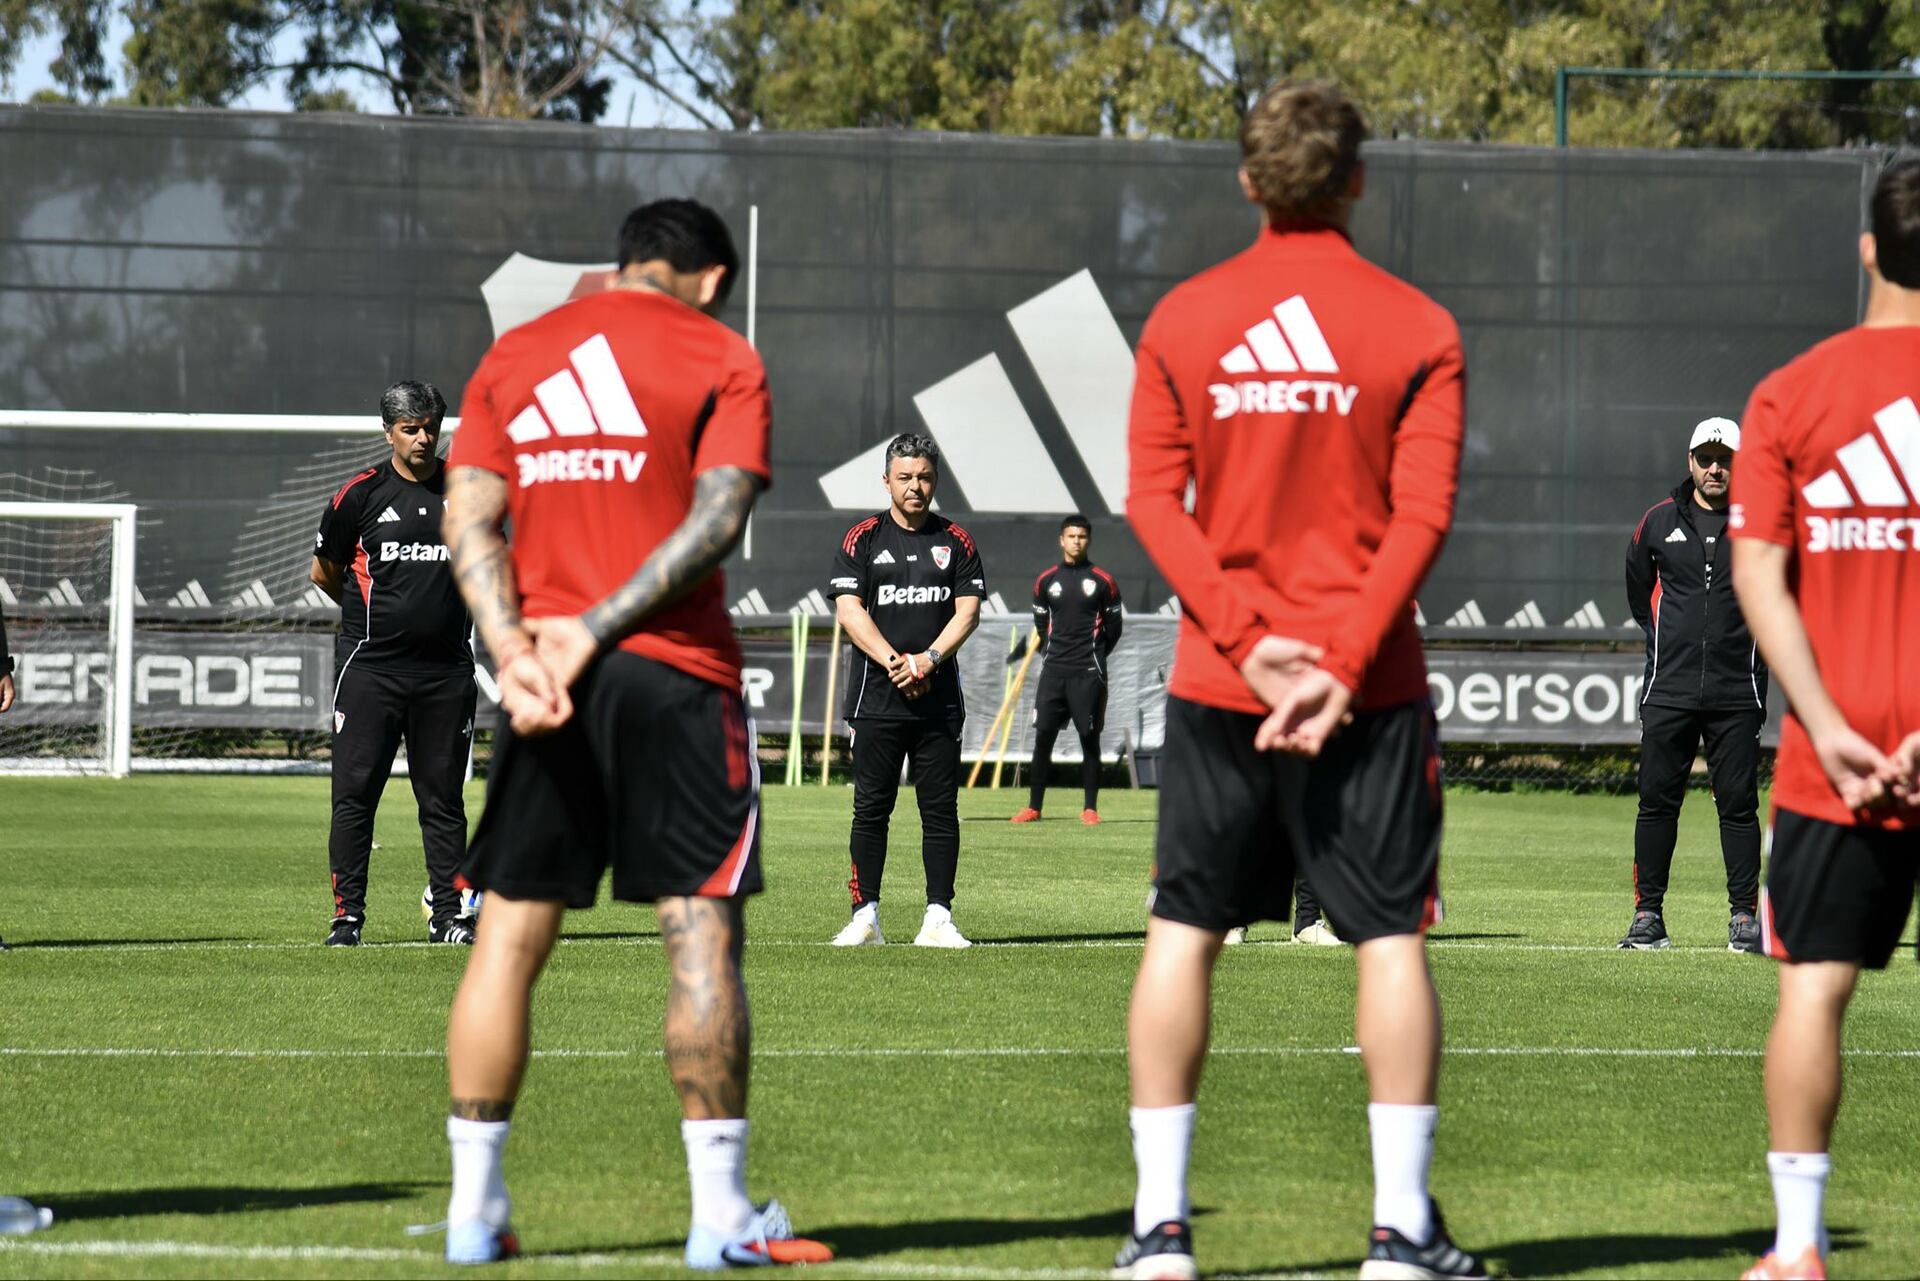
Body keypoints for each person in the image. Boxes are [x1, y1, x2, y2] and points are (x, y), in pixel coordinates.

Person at [1116, 81, 1485, 1280]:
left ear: (1247, 180)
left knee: (1183, 933)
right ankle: (1399, 1237)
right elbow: (1423, 512)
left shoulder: (1184, 318)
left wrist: (1241, 634)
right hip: (1369, 692)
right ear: (1359, 180)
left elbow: (1148, 506)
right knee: (1387, 944)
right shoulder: (1417, 325)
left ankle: (1157, 1233)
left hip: (1224, 683)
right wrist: (1336, 659)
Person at [437, 198, 831, 1269]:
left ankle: (473, 1215)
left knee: (507, 940)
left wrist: (520, 650)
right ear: (708, 278)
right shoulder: (722, 353)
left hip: (540, 684)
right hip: (677, 679)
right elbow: (717, 524)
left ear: (626, 265)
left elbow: (468, 518)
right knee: (698, 937)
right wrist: (592, 632)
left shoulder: (517, 354)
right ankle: (720, 1220)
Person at [1729, 157, 1920, 1281]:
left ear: (1866, 251)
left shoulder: (1790, 391)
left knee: (1814, 989)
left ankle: (1799, 1249)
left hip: (1828, 757)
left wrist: (1830, 724)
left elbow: (1758, 574)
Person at [312, 381, 478, 948]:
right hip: (370, 673)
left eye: (431, 426)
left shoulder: (469, 491)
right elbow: (325, 574)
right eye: (410, 428)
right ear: (388, 432)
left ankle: (449, 915)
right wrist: (371, 620)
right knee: (355, 797)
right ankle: (347, 917)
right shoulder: (358, 495)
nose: (423, 438)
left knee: (443, 799)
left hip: (447, 674)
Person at [827, 434, 985, 949]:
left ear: (934, 480)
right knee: (871, 809)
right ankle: (864, 916)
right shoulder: (862, 539)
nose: (915, 486)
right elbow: (850, 611)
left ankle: (938, 918)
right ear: (887, 480)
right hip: (877, 697)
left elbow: (968, 611)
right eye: (905, 477)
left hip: (938, 700)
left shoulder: (957, 539)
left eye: (924, 477)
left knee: (938, 811)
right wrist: (897, 663)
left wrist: (929, 660)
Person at [1620, 416, 1770, 953]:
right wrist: (1670, 643)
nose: (1714, 467)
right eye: (1705, 458)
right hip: (1669, 691)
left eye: (1724, 458)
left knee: (1738, 806)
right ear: (1690, 462)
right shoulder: (1657, 522)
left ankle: (1744, 920)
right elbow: (1640, 593)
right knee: (1656, 804)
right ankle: (1648, 917)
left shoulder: (1762, 524)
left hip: (1738, 694)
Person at [1009, 515, 1122, 825]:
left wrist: (1095, 657)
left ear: (1088, 540)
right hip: (1053, 673)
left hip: (1088, 673)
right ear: (1061, 540)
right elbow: (1041, 626)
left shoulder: (1103, 581)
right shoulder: (1046, 581)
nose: (1076, 541)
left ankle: (1089, 809)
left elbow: (1114, 629)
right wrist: (1053, 654)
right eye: (1071, 536)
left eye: (1082, 536)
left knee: (1089, 739)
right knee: (1042, 739)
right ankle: (1033, 807)